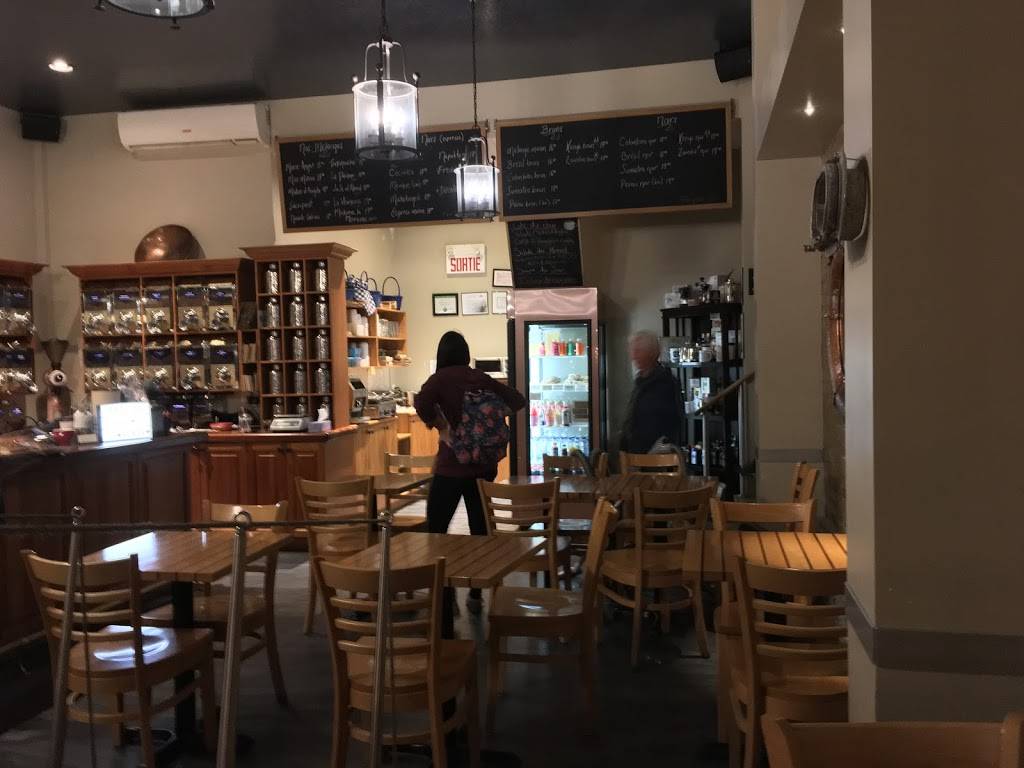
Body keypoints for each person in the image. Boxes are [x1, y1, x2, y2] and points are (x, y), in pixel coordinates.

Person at [414, 331, 526, 607]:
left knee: (437, 530)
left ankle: (445, 592)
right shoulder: (480, 377)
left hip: (452, 467)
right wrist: (491, 416)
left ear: (442, 354)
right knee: (481, 528)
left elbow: (420, 402)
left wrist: (441, 424)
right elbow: (518, 400)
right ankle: (477, 592)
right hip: (483, 467)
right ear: (466, 353)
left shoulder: (440, 379)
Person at [620, 330, 683, 454]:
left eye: (638, 351)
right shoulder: (641, 381)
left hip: (656, 454)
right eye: (632, 351)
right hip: (636, 453)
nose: (633, 356)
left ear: (651, 353)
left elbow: (670, 422)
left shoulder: (665, 383)